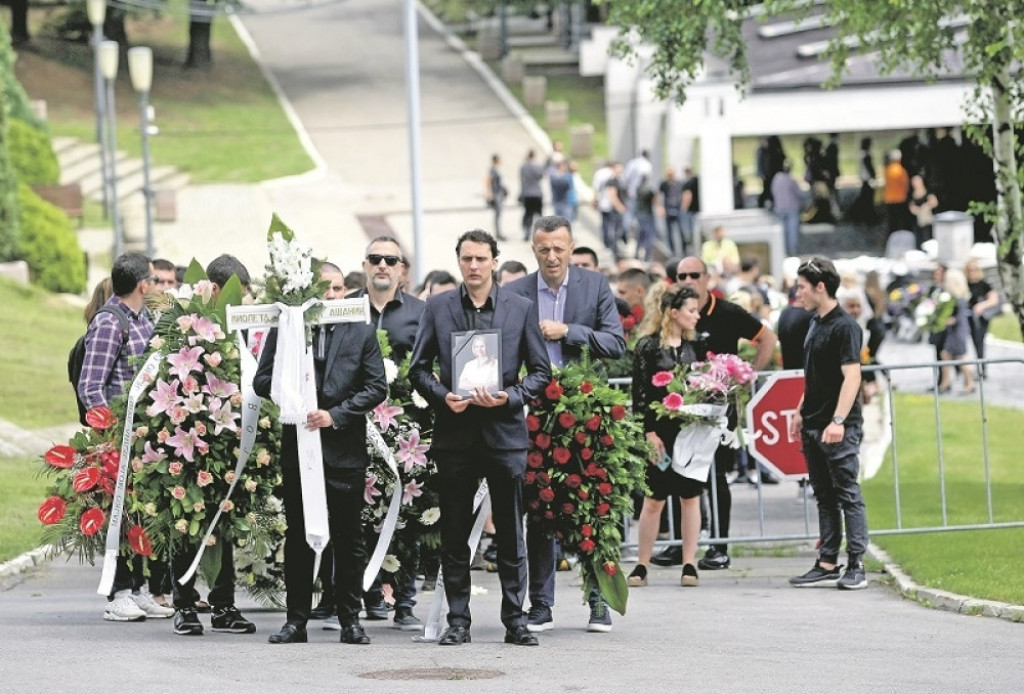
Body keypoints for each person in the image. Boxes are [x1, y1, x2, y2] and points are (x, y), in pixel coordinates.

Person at [409, 229, 550, 647]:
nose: (473, 266)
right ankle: (458, 621)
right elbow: (417, 369)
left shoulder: (520, 307)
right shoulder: (437, 307)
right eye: (466, 259)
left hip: (504, 435)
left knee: (510, 531)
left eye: (481, 259)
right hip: (455, 435)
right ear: (459, 261)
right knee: (454, 534)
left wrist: (511, 397)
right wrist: (441, 397)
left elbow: (541, 373)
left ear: (493, 261)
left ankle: (515, 620)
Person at [255, 263, 388, 645]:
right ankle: (296, 621)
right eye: (324, 288)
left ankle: (351, 620)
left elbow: (376, 386)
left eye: (337, 287)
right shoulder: (288, 328)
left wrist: (336, 415)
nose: (331, 295)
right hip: (299, 448)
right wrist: (290, 392)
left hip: (343, 450)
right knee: (298, 535)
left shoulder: (361, 330)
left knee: (349, 538)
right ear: (309, 292)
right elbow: (261, 380)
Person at [505, 215, 626, 633]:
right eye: (544, 249)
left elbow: (615, 342)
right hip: (533, 411)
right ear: (533, 250)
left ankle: (599, 600)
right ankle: (541, 604)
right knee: (539, 509)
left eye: (559, 248)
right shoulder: (516, 292)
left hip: (585, 412)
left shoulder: (594, 286)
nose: (552, 256)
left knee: (593, 505)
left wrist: (568, 332)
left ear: (572, 248)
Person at [662, 257, 777, 571]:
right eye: (680, 275)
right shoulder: (674, 312)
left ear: (707, 277)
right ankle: (679, 544)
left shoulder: (726, 312)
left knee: (715, 477)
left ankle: (719, 545)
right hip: (682, 407)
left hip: (719, 408)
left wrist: (749, 375)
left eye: (693, 274)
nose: (687, 279)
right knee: (678, 472)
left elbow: (767, 337)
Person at [77, 252, 174, 623]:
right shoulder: (109, 322)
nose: (158, 286)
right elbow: (91, 387)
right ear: (142, 285)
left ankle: (137, 589)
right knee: (118, 514)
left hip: (141, 438)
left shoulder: (142, 319)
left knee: (138, 514)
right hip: (118, 439)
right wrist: (110, 436)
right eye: (154, 280)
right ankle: (117, 593)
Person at [170, 254, 258, 637]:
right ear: (217, 291)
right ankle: (184, 606)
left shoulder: (239, 330)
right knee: (184, 524)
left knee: (224, 525)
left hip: (228, 440)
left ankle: (224, 606)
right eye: (238, 296)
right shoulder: (184, 323)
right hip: (186, 438)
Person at [346, 238, 428, 628]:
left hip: (406, 430)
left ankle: (405, 603)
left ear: (402, 270)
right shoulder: (344, 307)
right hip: (353, 424)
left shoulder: (420, 312)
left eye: (390, 260)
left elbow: (429, 365)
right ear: (364, 265)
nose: (382, 265)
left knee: (407, 516)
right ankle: (365, 595)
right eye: (375, 259)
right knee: (357, 514)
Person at [788, 256, 869, 590]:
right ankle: (827, 562)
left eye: (803, 287)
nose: (798, 293)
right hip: (814, 423)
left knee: (847, 493)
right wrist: (799, 410)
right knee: (824, 495)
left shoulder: (845, 326)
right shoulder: (814, 322)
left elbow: (852, 377)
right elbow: (815, 376)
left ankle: (857, 564)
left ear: (820, 287)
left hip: (839, 427)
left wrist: (838, 420)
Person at [629, 285, 706, 589]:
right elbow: (640, 394)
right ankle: (641, 564)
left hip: (690, 434)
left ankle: (690, 562)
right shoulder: (648, 347)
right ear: (674, 313)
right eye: (691, 310)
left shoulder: (695, 348)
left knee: (691, 497)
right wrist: (648, 432)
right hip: (659, 433)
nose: (696, 316)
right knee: (653, 500)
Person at [936, 268, 975, 395]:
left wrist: (944, 320)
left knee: (960, 358)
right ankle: (946, 382)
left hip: (958, 331)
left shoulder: (958, 298)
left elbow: (957, 317)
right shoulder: (957, 297)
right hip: (956, 331)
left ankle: (969, 382)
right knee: (946, 355)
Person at [965, 260, 1000, 379]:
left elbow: (994, 299)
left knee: (979, 343)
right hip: (966, 318)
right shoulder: (965, 284)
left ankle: (982, 370)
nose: (972, 272)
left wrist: (982, 305)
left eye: (974, 269)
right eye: (969, 270)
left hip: (980, 319)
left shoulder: (984, 285)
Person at [771, 160, 803, 256]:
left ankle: (781, 248)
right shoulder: (791, 181)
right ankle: (792, 250)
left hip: (779, 207)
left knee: (781, 229)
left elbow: (773, 192)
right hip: (791, 208)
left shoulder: (776, 179)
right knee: (792, 230)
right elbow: (798, 193)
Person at [658, 166, 686, 257]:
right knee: (669, 233)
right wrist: (661, 207)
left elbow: (684, 194)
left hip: (678, 209)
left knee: (682, 231)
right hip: (668, 209)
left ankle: (683, 251)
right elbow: (660, 196)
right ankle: (672, 252)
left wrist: (683, 206)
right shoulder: (664, 184)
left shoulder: (679, 183)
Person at [519, 149, 545, 241]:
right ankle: (543, 231)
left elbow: (522, 181)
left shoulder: (523, 167)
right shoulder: (537, 166)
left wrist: (521, 194)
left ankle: (527, 231)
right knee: (539, 214)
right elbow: (541, 176)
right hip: (537, 193)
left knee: (528, 214)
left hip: (527, 193)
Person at [883, 150, 910, 233]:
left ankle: (891, 236)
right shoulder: (902, 171)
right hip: (900, 198)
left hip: (889, 198)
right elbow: (906, 185)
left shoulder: (887, 170)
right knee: (900, 220)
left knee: (892, 221)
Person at [908, 175, 939, 247]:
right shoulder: (912, 194)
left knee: (928, 236)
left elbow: (934, 202)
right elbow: (911, 206)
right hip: (918, 220)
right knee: (919, 236)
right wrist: (915, 209)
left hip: (928, 219)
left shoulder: (928, 192)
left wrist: (925, 206)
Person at [485, 153, 508, 240]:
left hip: (499, 193)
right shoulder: (492, 170)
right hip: (496, 194)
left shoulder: (495, 170)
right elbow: (488, 180)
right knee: (498, 213)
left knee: (498, 214)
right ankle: (498, 233)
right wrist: (489, 193)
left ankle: (499, 232)